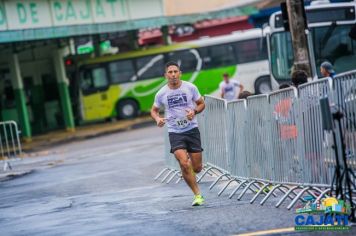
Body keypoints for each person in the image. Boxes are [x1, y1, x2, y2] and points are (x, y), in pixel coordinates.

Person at [151, 61, 206, 206]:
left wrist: (194, 111)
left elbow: (201, 103)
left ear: (180, 73)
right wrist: (157, 119)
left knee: (197, 168)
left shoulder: (190, 87)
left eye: (175, 71)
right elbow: (154, 110)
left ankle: (188, 171)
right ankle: (197, 195)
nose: (173, 74)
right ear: (165, 75)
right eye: (170, 72)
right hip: (175, 131)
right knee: (184, 163)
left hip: (191, 129)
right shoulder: (161, 93)